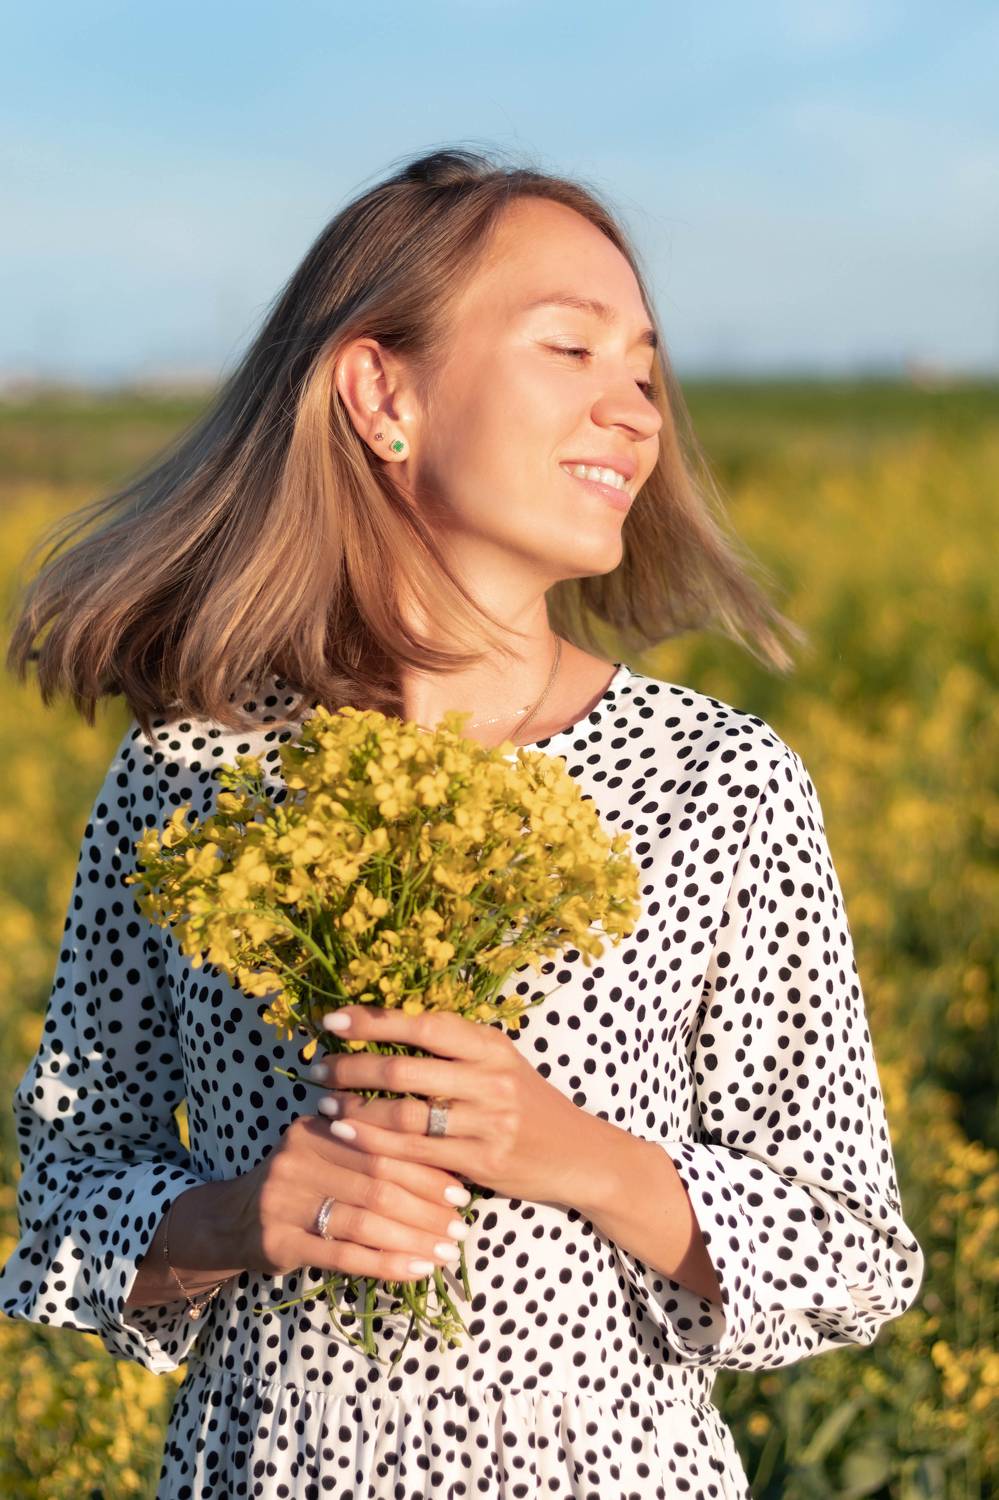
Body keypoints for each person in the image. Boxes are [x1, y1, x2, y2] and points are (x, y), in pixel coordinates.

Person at [0, 146, 924, 1499]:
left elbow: (850, 1251)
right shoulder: (189, 779)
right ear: (383, 394)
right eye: (572, 348)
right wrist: (232, 1220)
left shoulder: (718, 784)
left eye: (646, 372)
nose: (636, 413)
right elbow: (63, 1206)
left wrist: (575, 1156)